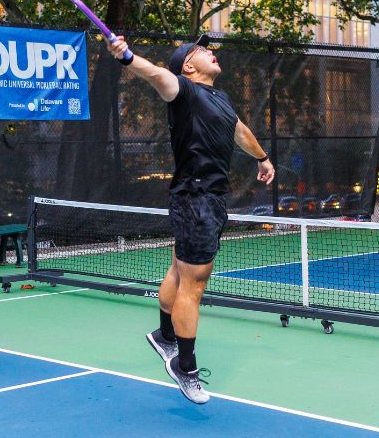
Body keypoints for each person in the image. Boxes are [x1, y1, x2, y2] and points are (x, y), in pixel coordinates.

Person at [106, 33, 275, 404]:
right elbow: (155, 76)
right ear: (188, 66)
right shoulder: (183, 91)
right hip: (196, 199)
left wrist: (262, 157)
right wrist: (127, 56)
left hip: (208, 199)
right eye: (203, 51)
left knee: (179, 274)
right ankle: (185, 367)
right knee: (193, 287)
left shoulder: (221, 99)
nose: (212, 52)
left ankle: (165, 335)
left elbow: (239, 131)